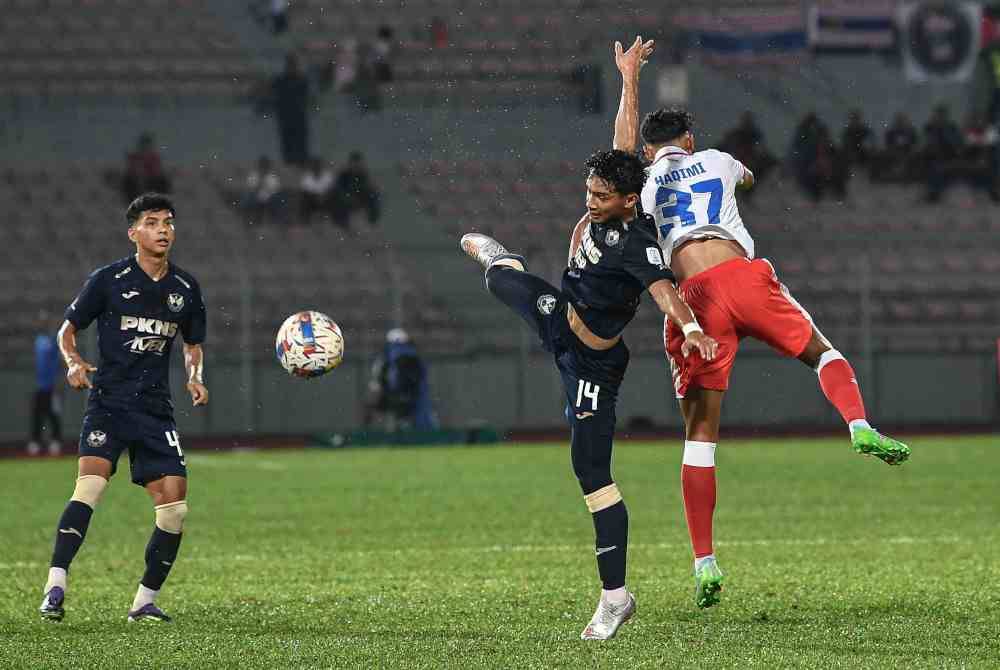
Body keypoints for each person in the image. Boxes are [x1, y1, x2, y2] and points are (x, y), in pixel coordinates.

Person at [460, 37, 718, 641]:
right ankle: (506, 264)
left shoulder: (638, 243)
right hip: (561, 315)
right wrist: (629, 77)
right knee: (499, 278)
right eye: (589, 193)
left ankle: (615, 596)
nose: (591, 202)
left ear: (631, 201)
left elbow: (663, 293)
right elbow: (624, 139)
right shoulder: (618, 181)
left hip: (592, 366)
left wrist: (693, 327)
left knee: (589, 469)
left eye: (601, 198)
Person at [633, 98, 911, 607]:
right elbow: (750, 178)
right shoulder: (715, 158)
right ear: (689, 140)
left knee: (699, 437)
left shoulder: (645, 184)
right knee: (823, 353)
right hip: (743, 274)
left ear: (648, 151)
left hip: (693, 298)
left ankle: (705, 561)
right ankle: (858, 424)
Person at [38, 193, 209, 624]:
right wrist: (74, 361)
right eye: (152, 223)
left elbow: (192, 342)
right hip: (109, 403)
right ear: (133, 232)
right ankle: (55, 584)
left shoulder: (185, 288)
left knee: (175, 510)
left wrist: (195, 375)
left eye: (168, 221)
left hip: (155, 410)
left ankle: (143, 602)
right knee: (90, 488)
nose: (163, 229)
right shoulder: (108, 280)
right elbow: (66, 331)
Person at [364, 328, 437, 431]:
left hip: (394, 394)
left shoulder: (387, 356)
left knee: (375, 409)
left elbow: (378, 377)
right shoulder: (413, 355)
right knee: (410, 417)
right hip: (409, 395)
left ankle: (370, 434)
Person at [28, 311, 63, 457]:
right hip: (40, 385)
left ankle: (55, 441)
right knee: (37, 414)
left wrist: (58, 380)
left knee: (53, 414)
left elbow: (60, 359)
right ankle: (36, 441)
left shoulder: (54, 341)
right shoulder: (38, 340)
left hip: (52, 386)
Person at [272, 53, 311, 165]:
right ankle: (289, 163)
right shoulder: (280, 80)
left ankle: (301, 162)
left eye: (294, 64)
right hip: (285, 118)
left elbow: (306, 98)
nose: (292, 67)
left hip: (299, 117)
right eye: (290, 65)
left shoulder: (302, 80)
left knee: (301, 143)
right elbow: (275, 96)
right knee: (287, 143)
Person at [331, 151, 380, 227]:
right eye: (354, 163)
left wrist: (371, 189)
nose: (356, 166)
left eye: (358, 163)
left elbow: (367, 187)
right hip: (346, 197)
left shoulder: (363, 173)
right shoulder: (343, 174)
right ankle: (342, 223)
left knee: (374, 196)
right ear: (350, 163)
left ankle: (372, 220)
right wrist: (347, 196)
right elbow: (338, 188)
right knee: (338, 200)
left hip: (359, 196)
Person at [122, 133, 170, 204]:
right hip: (137, 181)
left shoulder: (153, 157)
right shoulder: (135, 157)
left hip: (150, 181)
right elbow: (131, 170)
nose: (146, 148)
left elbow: (157, 171)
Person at [298, 156, 334, 224]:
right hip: (312, 199)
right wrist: (316, 197)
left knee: (333, 196)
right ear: (311, 166)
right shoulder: (307, 177)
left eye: (318, 165)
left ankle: (333, 219)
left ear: (321, 166)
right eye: (314, 165)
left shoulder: (328, 175)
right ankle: (305, 221)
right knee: (304, 199)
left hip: (326, 198)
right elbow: (305, 190)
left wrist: (323, 196)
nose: (316, 167)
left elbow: (331, 188)